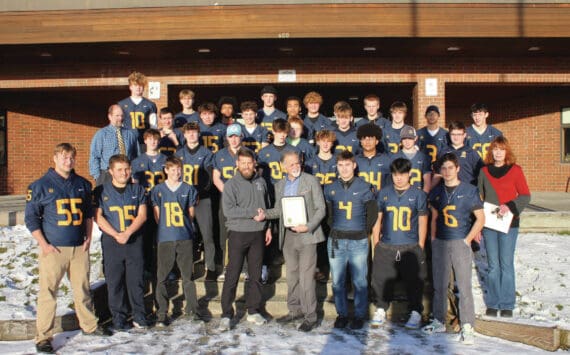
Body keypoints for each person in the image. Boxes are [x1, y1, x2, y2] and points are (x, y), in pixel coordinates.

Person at [25, 143, 112, 354]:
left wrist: (88, 239)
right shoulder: (40, 185)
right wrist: (44, 245)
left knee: (82, 290)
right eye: (64, 157)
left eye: (72, 157)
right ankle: (43, 337)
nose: (68, 161)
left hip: (78, 247)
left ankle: (89, 326)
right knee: (48, 293)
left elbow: (89, 215)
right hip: (54, 249)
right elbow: (31, 219)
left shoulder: (82, 183)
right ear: (55, 158)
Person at [422, 153, 485, 345]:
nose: (447, 171)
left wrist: (467, 239)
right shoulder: (437, 191)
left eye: (451, 167)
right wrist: (432, 239)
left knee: (464, 285)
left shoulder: (469, 190)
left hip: (460, 240)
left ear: (458, 168)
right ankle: (439, 320)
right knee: (440, 284)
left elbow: (481, 218)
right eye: (444, 168)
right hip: (440, 241)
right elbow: (433, 217)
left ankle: (467, 324)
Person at [262, 151, 326, 332]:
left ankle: (310, 316)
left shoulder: (311, 181)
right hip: (289, 236)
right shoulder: (280, 185)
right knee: (292, 276)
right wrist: (264, 214)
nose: (295, 166)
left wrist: (308, 226)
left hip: (308, 235)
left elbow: (321, 209)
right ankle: (294, 310)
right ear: (283, 167)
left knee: (306, 278)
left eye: (297, 163)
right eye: (291, 164)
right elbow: (278, 210)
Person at [370, 158, 428, 329]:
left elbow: (423, 221)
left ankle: (416, 311)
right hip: (387, 244)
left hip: (409, 245)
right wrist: (376, 243)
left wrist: (420, 245)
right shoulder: (384, 193)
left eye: (402, 174)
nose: (399, 178)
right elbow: (377, 220)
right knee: (380, 279)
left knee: (414, 281)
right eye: (395, 174)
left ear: (409, 174)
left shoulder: (418, 194)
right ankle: (381, 308)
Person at [93, 154, 148, 331]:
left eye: (126, 169)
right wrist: (116, 234)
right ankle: (119, 317)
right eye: (119, 169)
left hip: (133, 240)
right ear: (111, 171)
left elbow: (142, 215)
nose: (124, 173)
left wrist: (128, 232)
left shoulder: (138, 189)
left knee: (136, 281)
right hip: (112, 241)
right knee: (115, 281)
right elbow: (98, 217)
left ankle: (139, 315)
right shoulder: (101, 191)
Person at [219, 148, 272, 330]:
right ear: (237, 164)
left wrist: (268, 228)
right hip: (237, 233)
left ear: (254, 163)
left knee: (255, 275)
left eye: (249, 163)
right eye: (243, 163)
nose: (246, 166)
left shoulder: (261, 182)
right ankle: (226, 314)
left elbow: (266, 207)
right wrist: (251, 213)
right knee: (232, 275)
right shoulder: (231, 185)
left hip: (257, 233)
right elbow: (229, 211)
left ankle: (253, 310)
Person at [478, 136, 530, 318]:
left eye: (501, 149)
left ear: (507, 151)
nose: (498, 152)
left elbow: (525, 195)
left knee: (506, 264)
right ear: (491, 151)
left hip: (510, 223)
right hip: (490, 223)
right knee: (493, 265)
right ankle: (493, 302)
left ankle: (507, 303)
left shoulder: (516, 171)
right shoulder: (484, 172)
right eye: (495, 149)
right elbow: (479, 198)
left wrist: (510, 206)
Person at [325, 150, 377, 330]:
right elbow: (329, 214)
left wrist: (362, 231)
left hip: (358, 241)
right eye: (340, 165)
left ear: (354, 165)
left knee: (359, 281)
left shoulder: (365, 186)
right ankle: (342, 314)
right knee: (338, 281)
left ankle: (359, 315)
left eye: (347, 165)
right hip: (337, 240)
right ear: (336, 166)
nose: (344, 169)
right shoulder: (330, 187)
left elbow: (372, 213)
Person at [151, 156, 202, 326]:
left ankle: (193, 309)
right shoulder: (158, 190)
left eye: (178, 169)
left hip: (184, 237)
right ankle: (162, 312)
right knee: (162, 276)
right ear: (166, 170)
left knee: (188, 276)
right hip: (165, 237)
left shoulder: (188, 188)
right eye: (172, 169)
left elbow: (191, 213)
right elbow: (157, 216)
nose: (176, 172)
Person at [176, 122, 217, 280]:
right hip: (184, 200)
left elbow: (208, 179)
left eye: (194, 132)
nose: (192, 135)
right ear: (184, 135)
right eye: (189, 132)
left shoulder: (206, 153)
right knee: (185, 235)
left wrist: (198, 193)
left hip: (202, 198)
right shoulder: (179, 154)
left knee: (207, 234)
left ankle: (211, 267)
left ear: (198, 134)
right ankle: (187, 268)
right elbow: (175, 178)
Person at [213, 124, 249, 280]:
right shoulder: (220, 155)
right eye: (231, 136)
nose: (234, 139)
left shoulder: (248, 154)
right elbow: (216, 178)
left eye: (236, 136)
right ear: (226, 138)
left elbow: (252, 176)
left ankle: (246, 268)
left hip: (244, 200)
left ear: (241, 136)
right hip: (226, 200)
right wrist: (228, 194)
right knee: (225, 234)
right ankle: (226, 267)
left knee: (246, 233)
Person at [89, 104, 139, 186]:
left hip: (126, 175)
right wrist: (98, 177)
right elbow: (94, 156)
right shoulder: (101, 134)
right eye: (117, 115)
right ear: (110, 116)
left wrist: (134, 175)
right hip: (107, 175)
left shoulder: (130, 134)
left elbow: (136, 157)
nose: (120, 118)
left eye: (122, 115)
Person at [435, 121, 483, 187]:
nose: (456, 137)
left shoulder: (471, 153)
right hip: (447, 191)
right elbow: (437, 174)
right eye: (453, 134)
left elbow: (481, 174)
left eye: (459, 134)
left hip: (467, 191)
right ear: (449, 134)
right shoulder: (443, 152)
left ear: (464, 135)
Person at [118, 71, 158, 146]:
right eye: (135, 85)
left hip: (144, 142)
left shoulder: (150, 105)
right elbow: (119, 125)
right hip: (127, 141)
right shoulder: (122, 104)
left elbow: (154, 127)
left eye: (141, 85)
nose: (138, 87)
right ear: (130, 87)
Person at [391, 126, 432, 193]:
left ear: (415, 138)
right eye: (404, 138)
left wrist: (423, 196)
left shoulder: (423, 157)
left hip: (418, 194)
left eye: (410, 138)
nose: (407, 141)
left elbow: (427, 182)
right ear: (401, 139)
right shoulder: (394, 157)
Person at [355, 123, 392, 192]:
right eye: (364, 138)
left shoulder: (387, 160)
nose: (367, 142)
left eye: (371, 138)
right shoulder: (354, 161)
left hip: (380, 200)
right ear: (361, 142)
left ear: (377, 141)